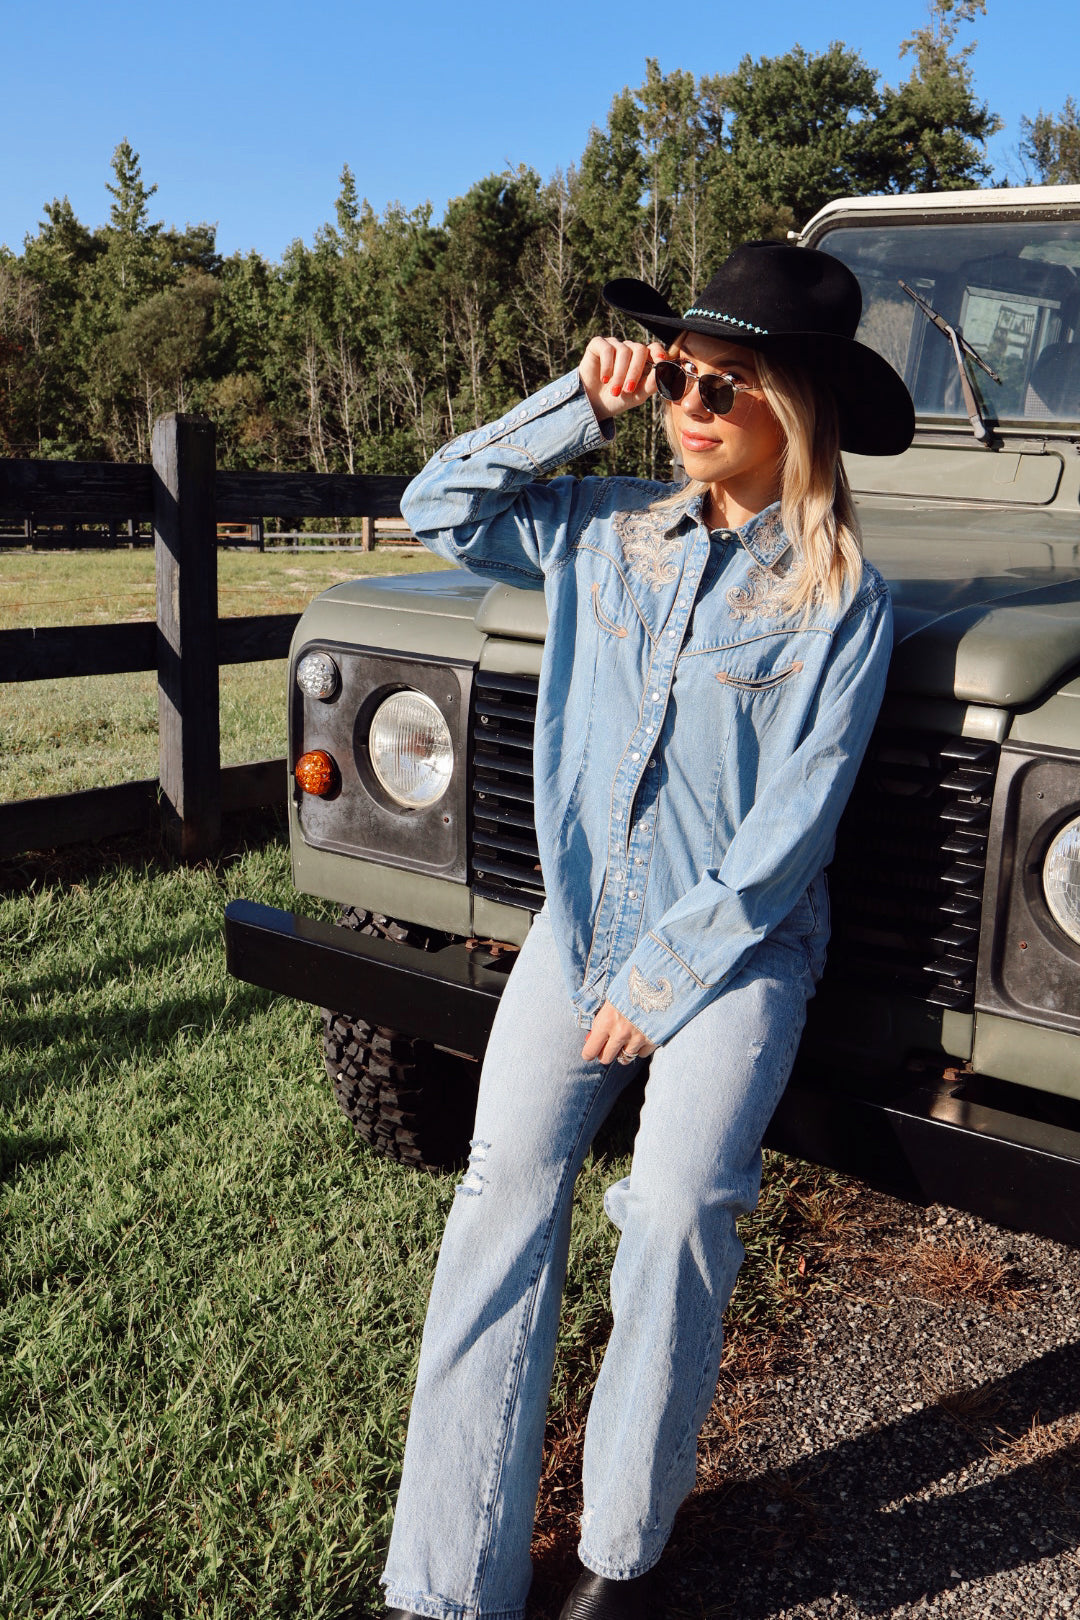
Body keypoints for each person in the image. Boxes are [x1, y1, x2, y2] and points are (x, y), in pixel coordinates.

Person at [381, 241, 915, 1620]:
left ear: (796, 406)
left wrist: (667, 978)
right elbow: (436, 503)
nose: (690, 402)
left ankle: (622, 1558)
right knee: (503, 1191)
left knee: (676, 1210)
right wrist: (580, 400)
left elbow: (789, 829)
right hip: (584, 926)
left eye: (724, 384)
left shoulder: (838, 595)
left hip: (738, 946)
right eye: (678, 373)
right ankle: (445, 1586)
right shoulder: (604, 534)